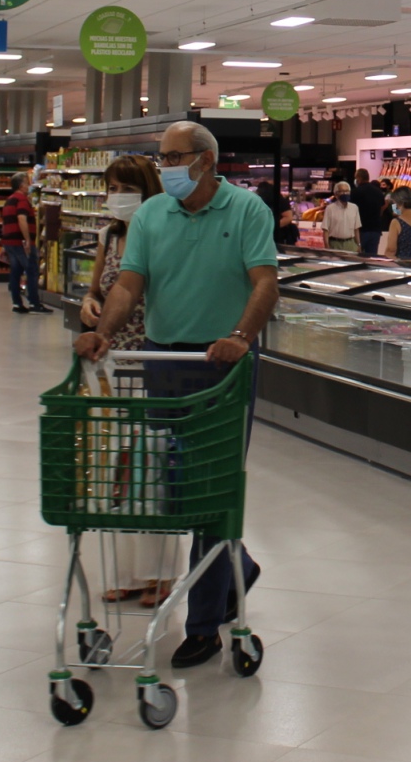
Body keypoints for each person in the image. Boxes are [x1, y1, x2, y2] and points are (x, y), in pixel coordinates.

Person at [75, 120, 277, 670]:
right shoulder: (149, 216)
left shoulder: (247, 211)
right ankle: (241, 566)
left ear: (205, 161)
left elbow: (264, 281)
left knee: (210, 492)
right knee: (174, 489)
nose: (163, 166)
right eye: (160, 156)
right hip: (167, 361)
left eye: (173, 156)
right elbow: (129, 284)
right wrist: (104, 333)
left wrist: (239, 337)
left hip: (223, 366)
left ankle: (205, 625)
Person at [77, 155, 177, 608]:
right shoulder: (108, 236)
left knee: (151, 468)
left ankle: (160, 573)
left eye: (124, 188)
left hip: (152, 362)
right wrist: (88, 304)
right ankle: (124, 572)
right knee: (115, 472)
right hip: (113, 369)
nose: (116, 197)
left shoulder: (164, 231)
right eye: (111, 187)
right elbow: (97, 289)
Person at [0, 172, 46, 314]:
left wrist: (4, 243)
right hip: (20, 242)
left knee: (15, 272)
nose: (29, 185)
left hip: (10, 241)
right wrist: (27, 240)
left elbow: (5, 223)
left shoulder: (9, 200)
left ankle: (17, 304)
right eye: (27, 183)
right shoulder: (22, 200)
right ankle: (34, 303)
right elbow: (21, 219)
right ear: (21, 185)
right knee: (32, 270)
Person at [321, 180, 361, 252]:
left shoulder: (354, 207)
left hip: (351, 244)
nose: (345, 193)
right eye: (342, 191)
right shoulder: (330, 208)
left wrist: (358, 244)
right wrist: (327, 246)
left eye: (347, 191)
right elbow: (325, 230)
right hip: (335, 244)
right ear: (336, 194)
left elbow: (356, 229)